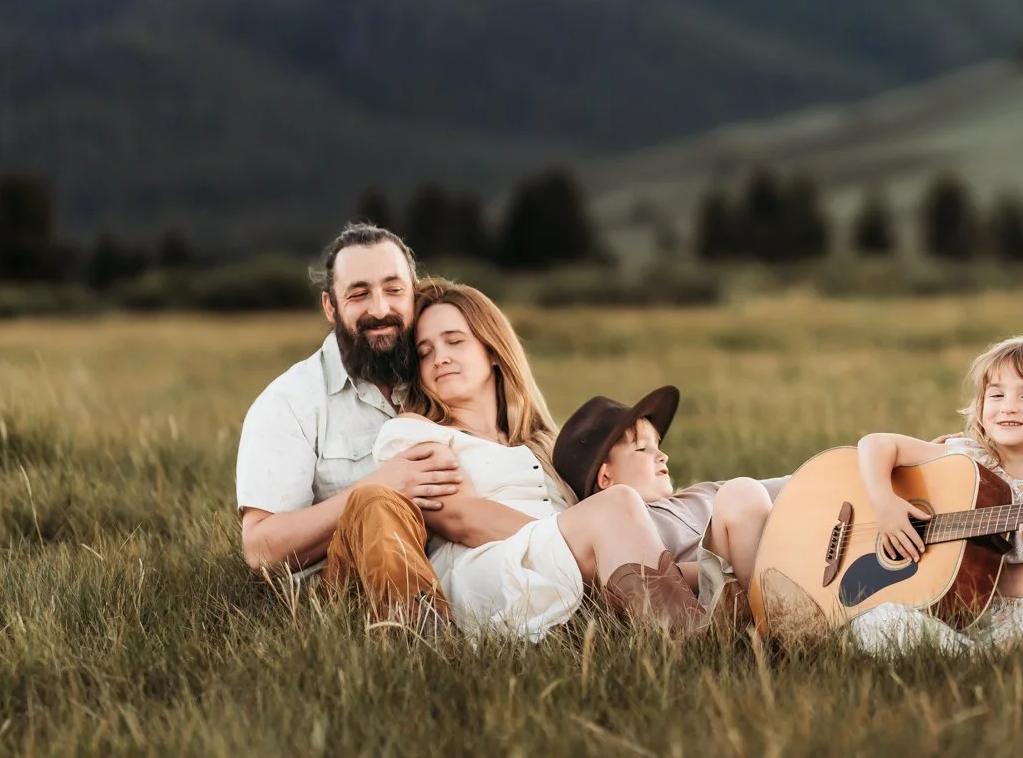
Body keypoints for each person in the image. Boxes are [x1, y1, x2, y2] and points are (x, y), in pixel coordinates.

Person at [374, 279, 710, 639]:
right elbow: (462, 518)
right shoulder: (416, 432)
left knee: (726, 502)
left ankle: (741, 599)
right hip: (487, 570)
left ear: (492, 350)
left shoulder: (542, 442)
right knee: (620, 506)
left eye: (454, 341)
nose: (439, 357)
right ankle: (695, 643)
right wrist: (582, 539)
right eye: (425, 352)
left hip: (564, 560)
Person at [235, 224, 464, 623]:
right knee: (375, 505)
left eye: (394, 290)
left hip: (460, 572)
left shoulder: (446, 373)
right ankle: (424, 645)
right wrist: (380, 487)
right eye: (358, 294)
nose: (379, 309)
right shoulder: (288, 402)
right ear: (330, 306)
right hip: (348, 596)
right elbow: (261, 550)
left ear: (414, 294)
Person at [850, 334, 1023, 652]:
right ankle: (970, 654)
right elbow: (876, 444)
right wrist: (885, 503)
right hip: (950, 609)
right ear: (981, 408)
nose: (1008, 406)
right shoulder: (967, 457)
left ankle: (969, 656)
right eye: (996, 395)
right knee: (874, 619)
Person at [551, 388, 782, 630]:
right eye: (642, 448)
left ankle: (795, 596)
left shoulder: (702, 494)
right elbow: (656, 582)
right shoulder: (626, 528)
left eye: (657, 444)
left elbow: (792, 486)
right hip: (717, 607)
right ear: (606, 476)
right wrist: (729, 561)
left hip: (782, 567)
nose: (662, 455)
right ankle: (774, 626)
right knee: (742, 492)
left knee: (747, 490)